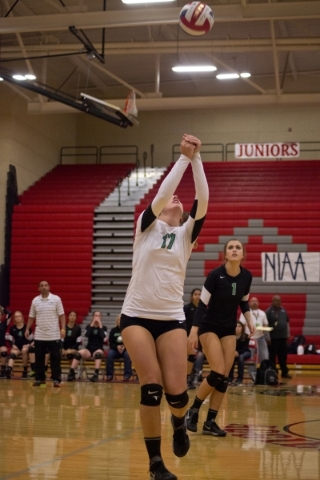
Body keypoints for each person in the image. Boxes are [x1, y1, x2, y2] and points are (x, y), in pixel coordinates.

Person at [120, 134, 208, 480]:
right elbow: (160, 196)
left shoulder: (187, 235)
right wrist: (183, 159)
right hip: (136, 316)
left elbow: (203, 201)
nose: (175, 198)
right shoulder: (146, 228)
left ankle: (179, 422)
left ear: (184, 215)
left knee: (176, 394)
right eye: (171, 197)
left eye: (179, 200)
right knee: (151, 386)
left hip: (172, 319)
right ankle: (156, 464)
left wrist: (197, 158)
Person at [187, 239, 255, 437]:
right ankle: (193, 410)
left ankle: (210, 423)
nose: (234, 250)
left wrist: (249, 320)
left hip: (228, 329)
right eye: (230, 248)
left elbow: (243, 302)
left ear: (243, 254)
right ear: (225, 254)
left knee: (224, 379)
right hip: (209, 327)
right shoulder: (215, 275)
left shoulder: (247, 277)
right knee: (217, 372)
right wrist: (194, 331)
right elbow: (201, 306)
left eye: (238, 248)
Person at [25, 280, 66, 388]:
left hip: (54, 334)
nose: (44, 287)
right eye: (42, 286)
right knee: (39, 358)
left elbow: (62, 315)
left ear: (49, 287)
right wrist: (27, 328)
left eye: (46, 285)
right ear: (38, 288)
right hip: (40, 335)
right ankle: (40, 378)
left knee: (55, 358)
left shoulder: (56, 299)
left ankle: (56, 379)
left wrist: (63, 329)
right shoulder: (35, 301)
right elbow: (31, 316)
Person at [67, 311, 107, 382]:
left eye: (98, 316)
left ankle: (96, 374)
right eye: (95, 316)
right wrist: (92, 324)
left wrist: (100, 324)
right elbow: (87, 335)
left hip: (98, 349)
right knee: (78, 354)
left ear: (101, 317)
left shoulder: (104, 327)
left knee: (98, 354)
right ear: (93, 317)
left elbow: (103, 336)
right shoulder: (88, 326)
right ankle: (71, 372)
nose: (97, 317)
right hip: (89, 349)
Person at [266, 295, 292, 379]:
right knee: (272, 357)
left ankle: (284, 372)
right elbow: (266, 325)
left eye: (279, 301)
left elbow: (287, 323)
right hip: (273, 338)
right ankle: (274, 373)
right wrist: (268, 337)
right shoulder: (269, 311)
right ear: (272, 301)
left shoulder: (283, 310)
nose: (278, 302)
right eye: (276, 301)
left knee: (283, 356)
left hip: (283, 338)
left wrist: (287, 334)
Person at [239, 296, 269, 362]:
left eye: (256, 301)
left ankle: (264, 370)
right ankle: (252, 372)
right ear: (249, 303)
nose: (254, 302)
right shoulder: (245, 313)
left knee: (265, 356)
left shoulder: (262, 313)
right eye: (252, 301)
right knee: (250, 357)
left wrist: (264, 329)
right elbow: (241, 324)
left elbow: (266, 324)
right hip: (250, 337)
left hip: (261, 337)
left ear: (258, 303)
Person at [6, 311, 33, 379]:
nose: (17, 318)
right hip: (17, 347)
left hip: (25, 346)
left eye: (19, 316)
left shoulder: (27, 327)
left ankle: (25, 370)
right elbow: (10, 339)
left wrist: (28, 345)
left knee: (24, 351)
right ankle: (9, 370)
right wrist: (12, 345)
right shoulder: (12, 328)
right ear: (14, 319)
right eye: (16, 317)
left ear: (22, 317)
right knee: (12, 353)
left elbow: (32, 339)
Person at [106, 314, 132, 381]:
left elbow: (131, 342)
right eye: (118, 320)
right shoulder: (113, 330)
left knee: (127, 355)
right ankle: (109, 375)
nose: (120, 321)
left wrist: (125, 347)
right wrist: (116, 346)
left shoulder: (128, 330)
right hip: (115, 349)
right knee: (109, 355)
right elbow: (111, 343)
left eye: (121, 319)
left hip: (126, 350)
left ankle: (127, 375)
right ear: (116, 321)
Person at [184, 288, 201, 389]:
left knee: (193, 358)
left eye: (199, 295)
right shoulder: (186, 308)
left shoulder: (203, 310)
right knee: (190, 356)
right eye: (196, 294)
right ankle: (187, 379)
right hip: (187, 337)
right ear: (192, 296)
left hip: (199, 338)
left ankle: (191, 377)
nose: (198, 296)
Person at [228, 321, 251, 386]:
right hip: (234, 353)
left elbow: (245, 348)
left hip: (245, 352)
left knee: (240, 357)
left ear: (242, 328)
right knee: (231, 357)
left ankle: (240, 379)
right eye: (236, 326)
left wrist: (238, 352)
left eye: (239, 326)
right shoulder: (231, 336)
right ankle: (230, 378)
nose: (237, 328)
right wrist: (233, 352)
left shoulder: (246, 336)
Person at [0, 306, 12, 377]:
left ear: (2, 315)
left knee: (4, 351)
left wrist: (3, 309)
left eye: (0, 314)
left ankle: (3, 369)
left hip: (1, 344)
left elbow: (10, 313)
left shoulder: (4, 324)